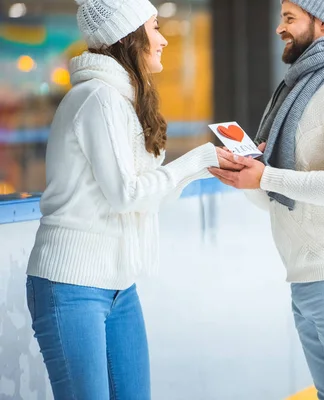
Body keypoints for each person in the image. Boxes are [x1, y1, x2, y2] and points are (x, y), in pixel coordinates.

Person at [25, 0, 235, 398]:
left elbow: (144, 198)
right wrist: (195, 159)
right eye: (155, 28)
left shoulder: (124, 100)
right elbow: (126, 196)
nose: (163, 39)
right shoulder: (97, 99)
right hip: (70, 285)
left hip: (119, 284)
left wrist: (202, 167)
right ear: (129, 35)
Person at [209, 0, 324, 398]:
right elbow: (284, 196)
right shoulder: (299, 90)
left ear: (323, 24)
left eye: (290, 18)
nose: (280, 28)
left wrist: (268, 175)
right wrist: (251, 178)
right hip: (307, 276)